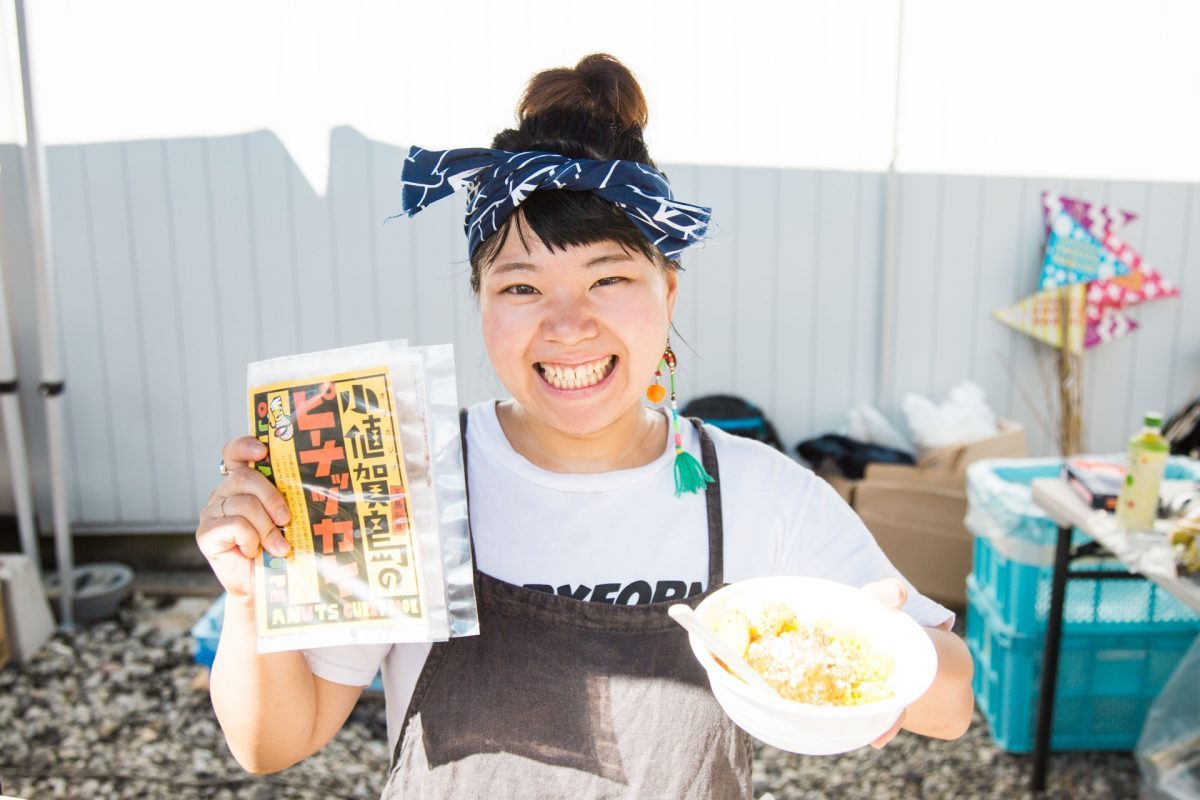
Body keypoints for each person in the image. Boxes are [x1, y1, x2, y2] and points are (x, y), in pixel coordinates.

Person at [195, 53, 973, 799]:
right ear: (481, 302)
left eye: (609, 278)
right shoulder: (408, 478)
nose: (568, 326)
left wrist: (888, 655)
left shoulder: (756, 490)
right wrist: (249, 593)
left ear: (669, 291)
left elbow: (952, 704)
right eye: (523, 286)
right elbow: (273, 744)